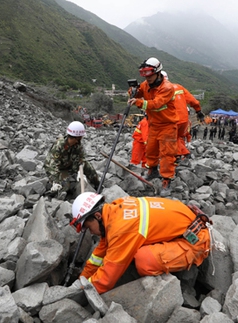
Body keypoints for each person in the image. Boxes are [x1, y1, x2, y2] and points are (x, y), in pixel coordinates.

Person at [69, 192, 211, 294]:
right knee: (131, 248)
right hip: (187, 223)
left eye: (88, 227)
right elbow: (101, 252)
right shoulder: (115, 209)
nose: (91, 232)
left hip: (196, 239)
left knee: (144, 260)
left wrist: (82, 290)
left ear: (97, 216)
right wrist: (82, 278)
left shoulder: (121, 229)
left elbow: (106, 280)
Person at [128, 58, 178, 197]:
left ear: (157, 72)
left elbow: (156, 104)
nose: (147, 78)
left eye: (149, 75)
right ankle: (153, 170)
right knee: (150, 149)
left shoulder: (167, 88)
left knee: (167, 154)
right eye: (145, 75)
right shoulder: (146, 84)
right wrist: (133, 91)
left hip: (167, 125)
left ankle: (167, 180)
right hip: (154, 124)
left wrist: (138, 102)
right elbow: (139, 92)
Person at [44, 121, 100, 200]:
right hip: (59, 169)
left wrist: (80, 173)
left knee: (87, 165)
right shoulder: (59, 145)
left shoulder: (78, 145)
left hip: (70, 167)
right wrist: (55, 180)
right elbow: (51, 165)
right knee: (65, 186)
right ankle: (51, 190)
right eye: (80, 137)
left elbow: (81, 159)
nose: (81, 138)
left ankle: (98, 186)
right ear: (76, 137)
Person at [161, 71, 204, 164]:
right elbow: (193, 101)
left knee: (169, 139)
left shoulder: (158, 90)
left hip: (172, 120)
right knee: (178, 138)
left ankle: (177, 157)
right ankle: (183, 154)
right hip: (184, 120)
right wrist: (198, 111)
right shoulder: (179, 87)